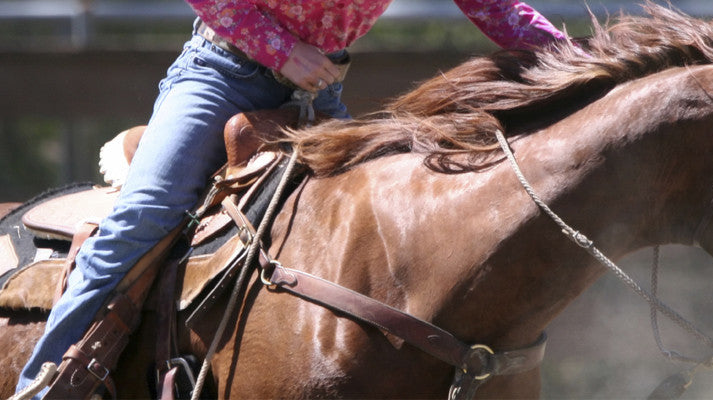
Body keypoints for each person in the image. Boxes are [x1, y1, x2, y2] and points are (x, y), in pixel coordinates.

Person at [16, 0, 570, 395]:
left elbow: (495, 7)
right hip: (220, 75)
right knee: (144, 216)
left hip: (318, 98)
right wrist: (283, 52)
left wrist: (581, 61)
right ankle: (40, 387)